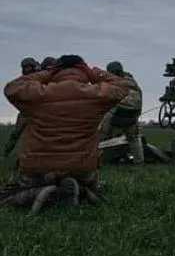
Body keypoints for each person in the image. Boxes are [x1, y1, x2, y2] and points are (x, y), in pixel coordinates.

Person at [2, 55, 130, 199]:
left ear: (55, 70)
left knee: (24, 182)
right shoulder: (96, 94)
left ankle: (37, 190)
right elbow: (123, 85)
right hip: (82, 169)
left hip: (37, 169)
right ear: (83, 71)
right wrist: (92, 72)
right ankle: (80, 187)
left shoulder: (37, 94)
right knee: (86, 178)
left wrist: (46, 73)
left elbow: (11, 88)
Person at [98, 61, 144, 164]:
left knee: (100, 134)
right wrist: (137, 114)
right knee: (134, 139)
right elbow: (140, 97)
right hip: (132, 114)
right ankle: (139, 161)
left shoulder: (113, 82)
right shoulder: (132, 82)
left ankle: (95, 159)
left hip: (116, 111)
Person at [3, 58, 40, 159]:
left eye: (28, 66)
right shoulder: (25, 79)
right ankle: (5, 154)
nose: (26, 69)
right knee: (15, 134)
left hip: (37, 112)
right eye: (24, 67)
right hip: (25, 112)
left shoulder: (40, 76)